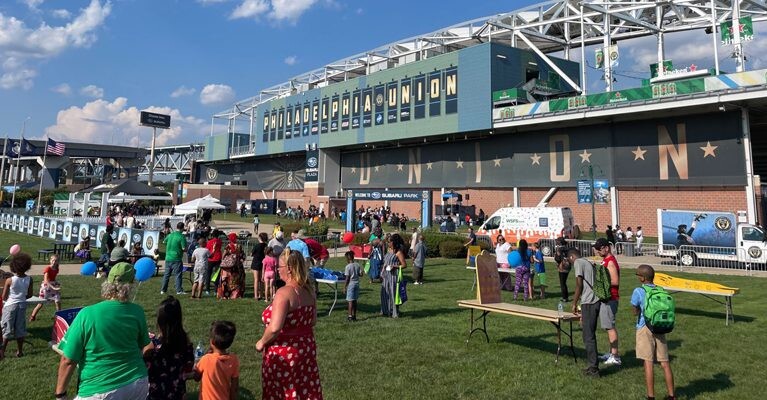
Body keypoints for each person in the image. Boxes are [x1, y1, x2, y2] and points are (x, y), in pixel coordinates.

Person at [55, 262, 150, 399]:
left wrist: (60, 393)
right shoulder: (137, 312)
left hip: (99, 389)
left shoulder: (87, 314)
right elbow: (144, 345)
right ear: (131, 285)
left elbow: (68, 360)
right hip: (137, 382)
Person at [256, 250, 323, 399]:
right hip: (305, 349)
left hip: (285, 353)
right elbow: (312, 321)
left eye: (279, 267)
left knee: (283, 391)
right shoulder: (309, 291)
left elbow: (274, 328)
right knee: (304, 388)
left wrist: (261, 342)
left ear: (289, 269)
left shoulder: (284, 293)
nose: (277, 270)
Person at [631, 265, 676, 400]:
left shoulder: (638, 291)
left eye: (638, 274)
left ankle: (651, 396)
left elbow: (635, 311)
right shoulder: (660, 289)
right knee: (665, 362)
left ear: (642, 278)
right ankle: (671, 395)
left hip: (645, 327)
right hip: (660, 327)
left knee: (648, 362)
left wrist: (639, 310)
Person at [143, 296, 194, 400]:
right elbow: (189, 366)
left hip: (156, 394)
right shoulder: (185, 342)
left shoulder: (153, 345)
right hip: (177, 392)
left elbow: (143, 367)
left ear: (159, 321)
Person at [569, 247, 602, 377]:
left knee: (588, 336)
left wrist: (574, 302)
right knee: (589, 335)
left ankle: (594, 368)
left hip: (589, 302)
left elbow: (579, 284)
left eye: (569, 260)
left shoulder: (578, 263)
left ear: (572, 257)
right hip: (596, 300)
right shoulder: (587, 261)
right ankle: (592, 366)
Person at [593, 237, 622, 366]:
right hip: (606, 298)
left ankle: (615, 356)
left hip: (611, 298)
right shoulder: (605, 260)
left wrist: (601, 283)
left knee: (610, 327)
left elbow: (615, 281)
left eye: (599, 249)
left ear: (606, 248)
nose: (597, 251)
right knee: (607, 326)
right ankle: (611, 353)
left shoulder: (610, 261)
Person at [194, 321, 240, 400]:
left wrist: (196, 364)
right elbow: (234, 387)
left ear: (212, 342)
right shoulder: (234, 359)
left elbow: (196, 377)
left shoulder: (206, 359)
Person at [1, 253, 33, 359]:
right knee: (20, 329)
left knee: (7, 329)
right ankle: (19, 351)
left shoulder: (10, 280)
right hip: (22, 305)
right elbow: (29, 294)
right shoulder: (29, 279)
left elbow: (4, 296)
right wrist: (21, 297)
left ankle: (2, 352)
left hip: (10, 306)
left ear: (13, 267)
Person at [381, 233, 407, 318]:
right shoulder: (389, 250)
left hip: (393, 276)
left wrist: (394, 266)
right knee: (385, 293)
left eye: (390, 242)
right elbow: (385, 261)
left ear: (394, 242)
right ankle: (386, 310)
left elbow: (404, 265)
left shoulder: (398, 253)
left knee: (393, 293)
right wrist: (383, 270)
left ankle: (395, 312)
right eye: (388, 242)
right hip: (386, 275)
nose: (388, 243)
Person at [29, 254, 62, 322]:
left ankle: (59, 317)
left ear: (58, 262)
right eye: (53, 260)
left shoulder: (56, 269)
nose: (54, 262)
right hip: (46, 287)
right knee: (41, 303)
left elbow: (53, 278)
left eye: (56, 261)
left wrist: (56, 282)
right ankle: (32, 316)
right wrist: (53, 287)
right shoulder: (48, 268)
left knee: (58, 300)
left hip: (52, 285)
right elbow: (46, 280)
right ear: (50, 260)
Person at [161, 222, 188, 295]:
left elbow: (164, 242)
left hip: (168, 257)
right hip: (176, 258)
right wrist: (186, 249)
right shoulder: (181, 237)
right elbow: (183, 248)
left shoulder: (170, 235)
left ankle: (163, 290)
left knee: (166, 275)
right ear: (182, 228)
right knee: (178, 275)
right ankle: (179, 290)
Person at [344, 251, 362, 322]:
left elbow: (347, 278)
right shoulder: (357, 265)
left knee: (350, 301)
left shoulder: (348, 267)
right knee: (355, 300)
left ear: (347, 258)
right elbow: (360, 274)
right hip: (357, 284)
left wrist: (344, 287)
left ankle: (350, 316)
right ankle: (354, 315)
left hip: (351, 284)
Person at [205, 229, 223, 295]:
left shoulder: (209, 242)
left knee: (208, 275)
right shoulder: (220, 241)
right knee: (217, 275)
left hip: (211, 259)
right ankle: (215, 290)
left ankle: (207, 290)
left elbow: (207, 250)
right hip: (218, 258)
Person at [251, 232, 268, 300]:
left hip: (256, 263)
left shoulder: (257, 246)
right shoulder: (266, 246)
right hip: (263, 263)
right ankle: (261, 294)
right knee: (261, 279)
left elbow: (252, 253)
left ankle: (256, 295)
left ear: (260, 238)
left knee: (256, 279)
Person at [554, 237, 571, 302]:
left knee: (562, 283)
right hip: (568, 266)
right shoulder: (568, 248)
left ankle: (565, 297)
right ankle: (565, 296)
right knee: (564, 282)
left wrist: (557, 255)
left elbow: (557, 259)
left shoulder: (559, 249)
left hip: (562, 267)